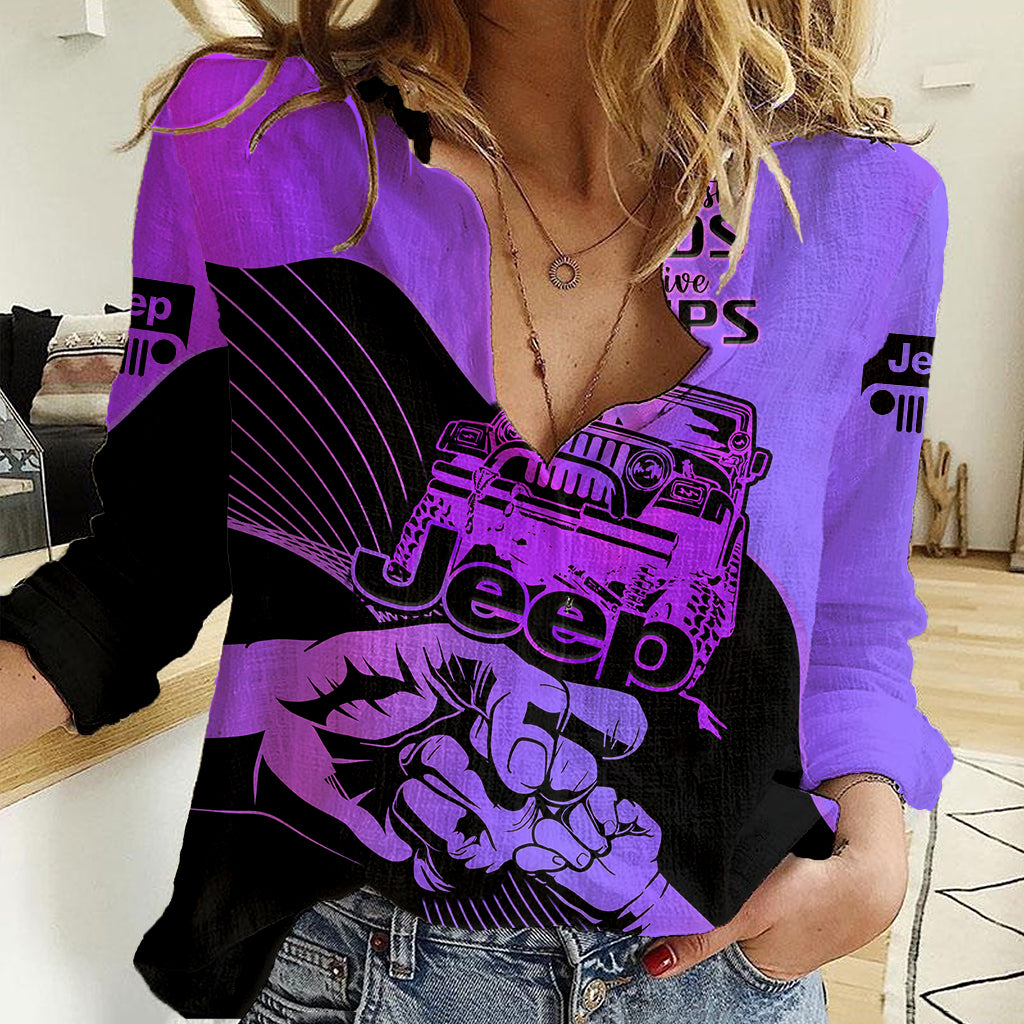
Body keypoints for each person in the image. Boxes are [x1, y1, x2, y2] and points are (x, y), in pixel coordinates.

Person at [0, 1, 953, 1021]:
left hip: (721, 971)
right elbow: (140, 572)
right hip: (360, 971)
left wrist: (873, 839)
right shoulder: (251, 132)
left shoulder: (867, 203)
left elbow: (849, 611)